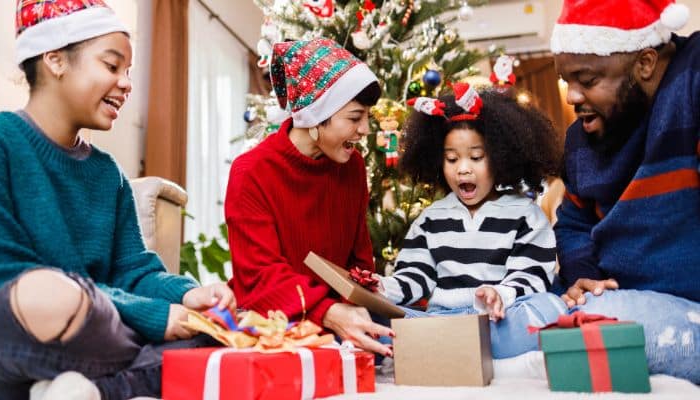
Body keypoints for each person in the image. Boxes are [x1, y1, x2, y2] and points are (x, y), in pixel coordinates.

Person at [0, 1, 236, 399]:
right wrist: (147, 315)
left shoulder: (107, 172)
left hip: (99, 329)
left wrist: (186, 296)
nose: (127, 83)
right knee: (48, 294)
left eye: (128, 72)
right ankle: (116, 378)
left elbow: (135, 272)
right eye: (112, 67)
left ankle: (85, 389)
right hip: (7, 337)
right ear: (55, 60)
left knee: (214, 332)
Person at [551, 0, 699, 382]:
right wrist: (581, 274)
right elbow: (572, 222)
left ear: (645, 64)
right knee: (511, 323)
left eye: (587, 80)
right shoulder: (582, 138)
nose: (572, 98)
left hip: (683, 311)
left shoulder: (692, 87)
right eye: (568, 82)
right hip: (612, 301)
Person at [225, 38, 394, 357]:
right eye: (355, 118)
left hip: (339, 315)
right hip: (277, 320)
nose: (365, 130)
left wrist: (361, 302)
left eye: (367, 117)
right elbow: (260, 277)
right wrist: (329, 312)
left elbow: (359, 258)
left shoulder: (352, 165)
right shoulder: (251, 172)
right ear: (316, 116)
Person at [378, 84, 566, 359]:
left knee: (549, 308)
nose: (463, 168)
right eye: (451, 159)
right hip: (443, 322)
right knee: (373, 317)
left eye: (476, 157)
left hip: (499, 320)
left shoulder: (525, 214)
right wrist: (383, 288)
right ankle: (454, 350)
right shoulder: (431, 218)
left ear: (501, 158)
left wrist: (500, 294)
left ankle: (448, 353)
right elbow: (414, 276)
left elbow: (532, 274)